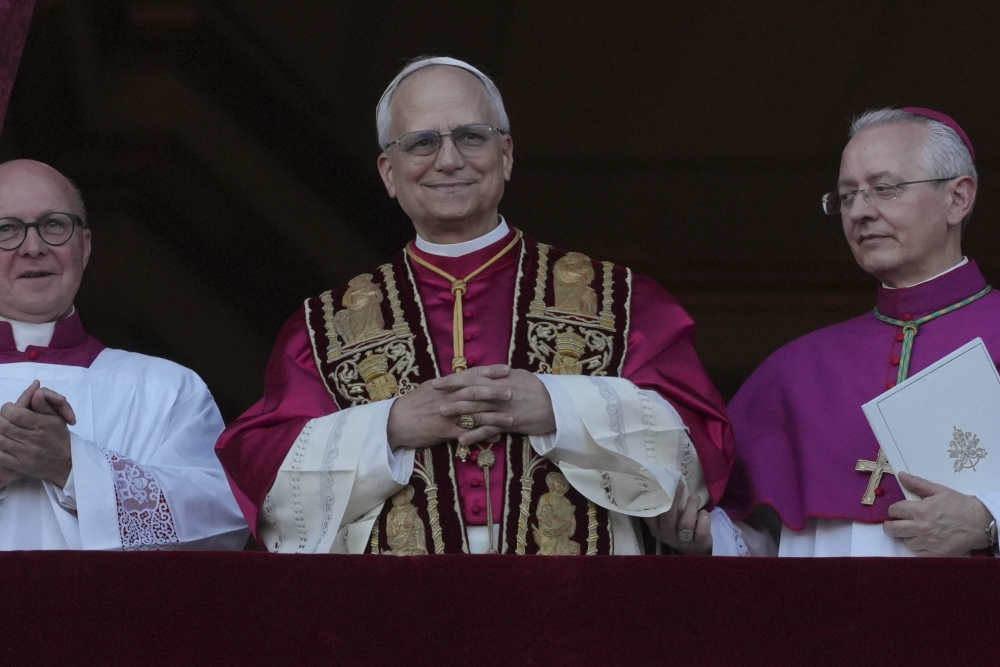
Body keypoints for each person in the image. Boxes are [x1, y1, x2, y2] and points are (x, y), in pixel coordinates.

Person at [216, 56, 737, 555]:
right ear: (388, 173)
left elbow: (700, 447)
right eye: (421, 143)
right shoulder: (324, 328)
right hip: (397, 612)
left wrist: (559, 407)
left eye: (471, 136)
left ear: (506, 154)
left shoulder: (620, 301)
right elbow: (267, 482)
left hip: (579, 607)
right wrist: (390, 426)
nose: (449, 160)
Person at [715, 107, 1000, 557]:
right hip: (829, 624)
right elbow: (759, 545)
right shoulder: (796, 370)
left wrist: (990, 521)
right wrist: (697, 535)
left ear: (958, 198)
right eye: (847, 196)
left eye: (884, 189)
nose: (861, 212)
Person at [0, 159, 248, 550]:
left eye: (54, 225)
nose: (34, 247)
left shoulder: (168, 388)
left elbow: (222, 525)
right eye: (6, 229)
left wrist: (71, 466)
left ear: (85, 247)